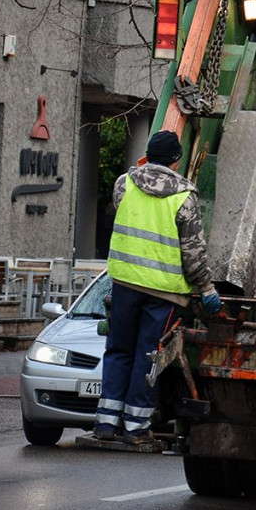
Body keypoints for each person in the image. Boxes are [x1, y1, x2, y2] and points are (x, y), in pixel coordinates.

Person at [94, 131, 221, 444]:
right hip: (163, 293)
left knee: (118, 349)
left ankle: (106, 423)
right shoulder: (184, 197)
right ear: (176, 160)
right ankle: (135, 426)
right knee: (148, 355)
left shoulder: (124, 184)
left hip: (124, 283)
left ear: (147, 155)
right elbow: (192, 253)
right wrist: (206, 289)